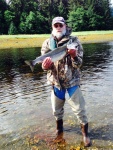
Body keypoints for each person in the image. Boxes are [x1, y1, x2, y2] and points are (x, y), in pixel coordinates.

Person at [41, 16, 91, 147]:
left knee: (80, 111)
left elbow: (79, 64)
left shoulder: (74, 41)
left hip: (72, 82)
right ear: (52, 27)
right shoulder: (47, 43)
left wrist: (74, 55)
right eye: (55, 25)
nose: (58, 27)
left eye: (60, 25)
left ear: (65, 26)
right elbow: (44, 67)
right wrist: (46, 66)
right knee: (57, 111)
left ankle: (85, 134)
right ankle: (59, 131)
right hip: (56, 84)